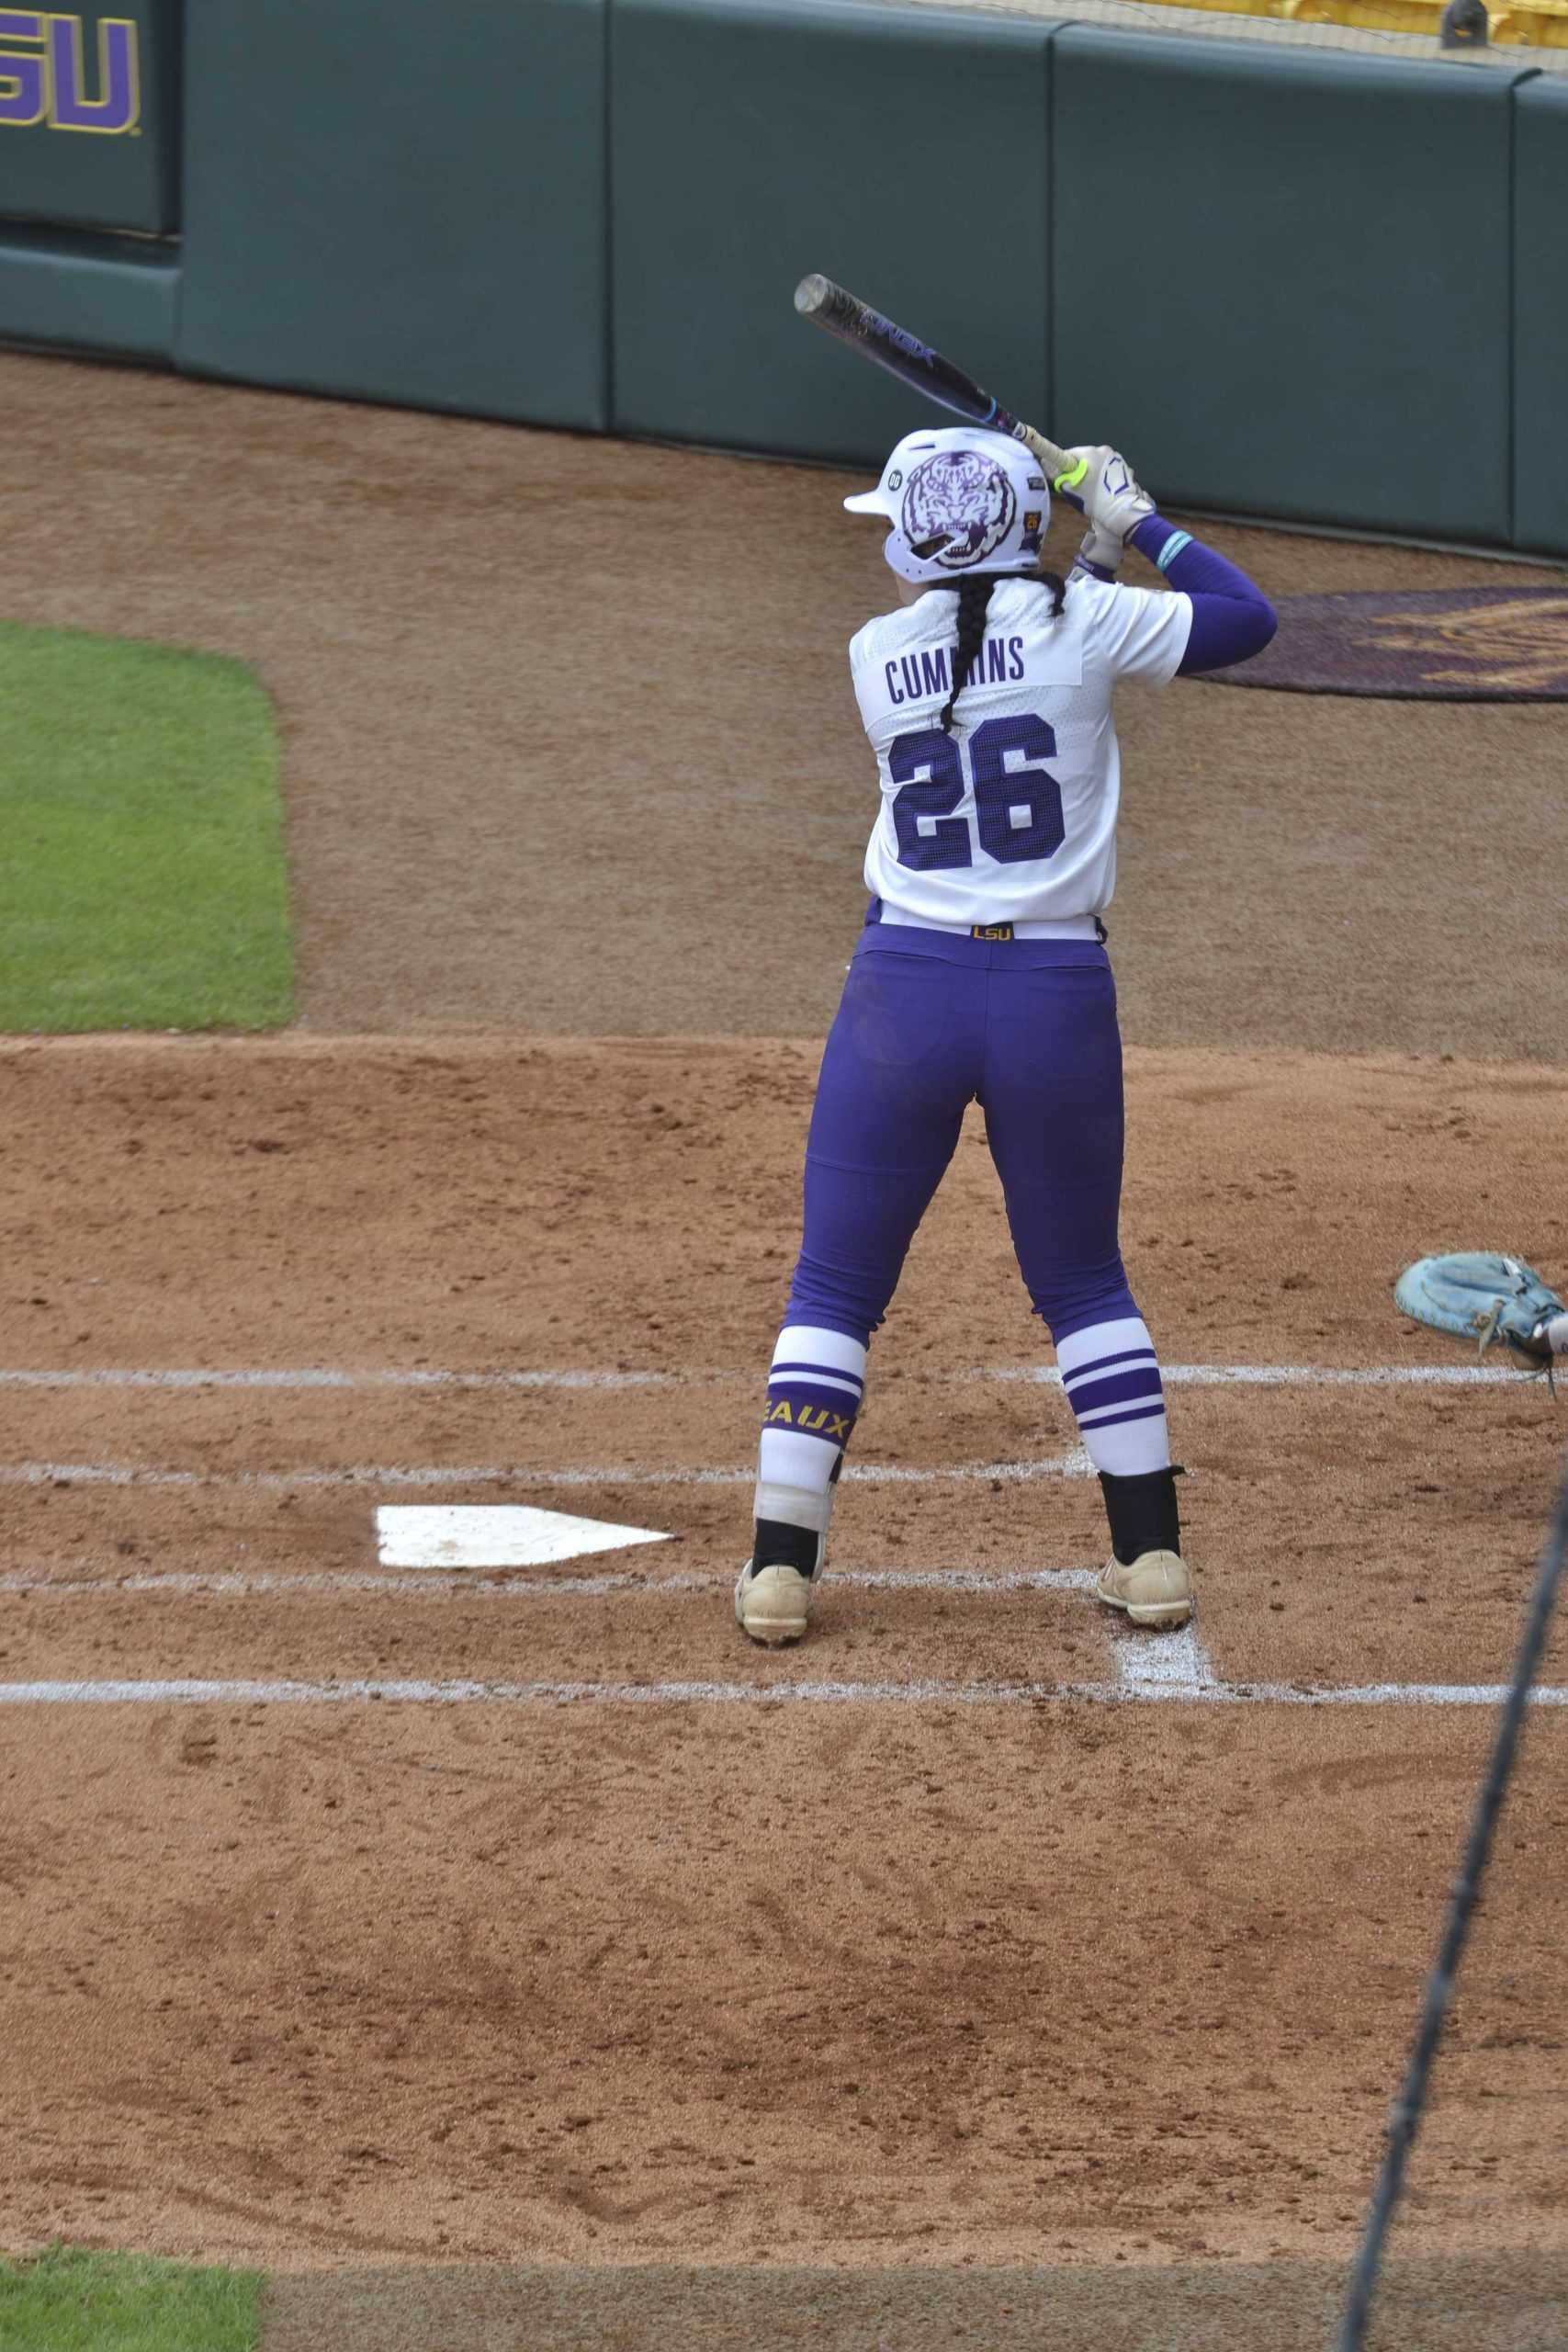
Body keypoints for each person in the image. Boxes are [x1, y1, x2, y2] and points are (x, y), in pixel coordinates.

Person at [735, 429, 1278, 1647]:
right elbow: (1246, 621)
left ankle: (779, 1570)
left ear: (925, 536)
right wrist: (1134, 524)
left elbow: (1005, 636)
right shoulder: (1090, 621)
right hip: (1054, 1003)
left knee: (835, 1286)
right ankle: (1150, 1560)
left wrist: (1079, 555)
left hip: (903, 997)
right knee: (1084, 1282)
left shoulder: (874, 655)